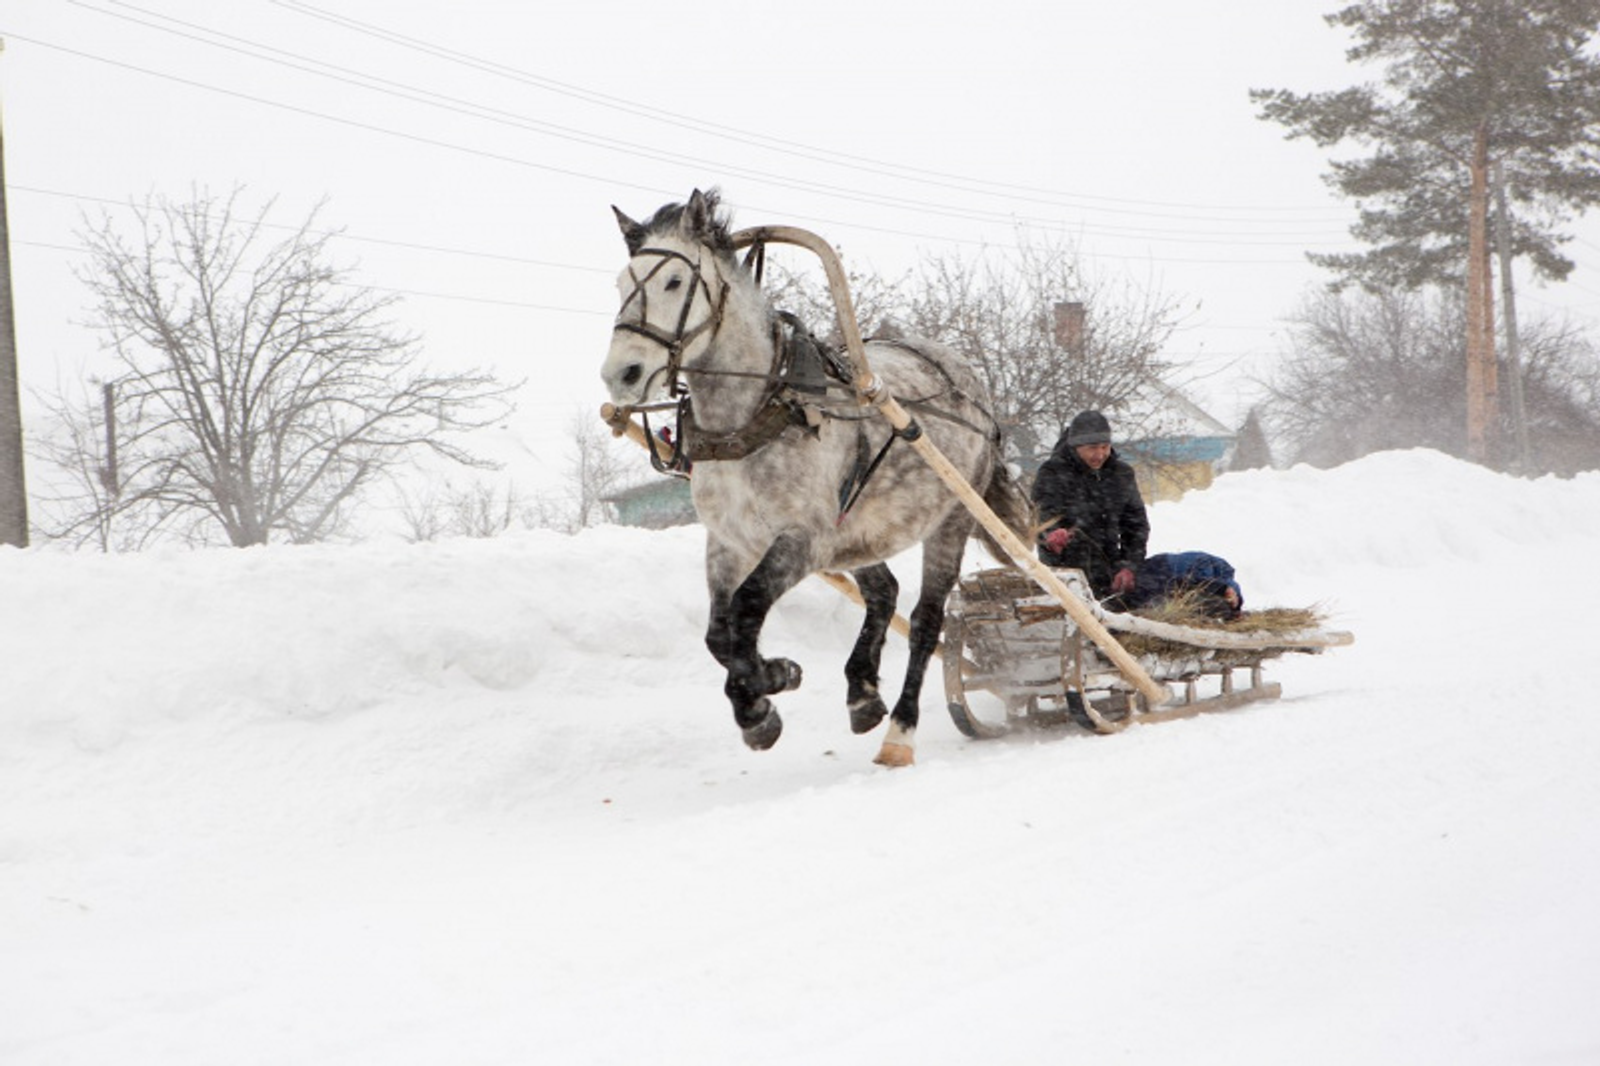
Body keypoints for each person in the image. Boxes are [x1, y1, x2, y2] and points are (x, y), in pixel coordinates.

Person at [1031, 409, 1150, 600]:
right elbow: (1042, 516)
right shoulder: (1052, 472)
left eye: (1105, 447)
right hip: (1065, 574)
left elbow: (1136, 526)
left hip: (1110, 573)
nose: (1100, 454)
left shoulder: (1121, 474)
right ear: (1075, 447)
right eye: (1092, 448)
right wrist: (1052, 534)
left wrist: (1129, 566)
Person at [1123, 551, 1244, 619]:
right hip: (1164, 571)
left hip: (1161, 568)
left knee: (1138, 601)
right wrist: (1224, 589)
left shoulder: (1216, 567)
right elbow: (1198, 581)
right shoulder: (1214, 570)